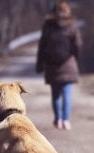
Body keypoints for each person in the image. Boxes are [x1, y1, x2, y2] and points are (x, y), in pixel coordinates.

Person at [35, 0, 82, 130]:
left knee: (55, 95)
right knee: (67, 94)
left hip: (51, 65)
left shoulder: (48, 25)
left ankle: (58, 119)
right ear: (68, 11)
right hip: (68, 63)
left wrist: (40, 63)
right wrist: (75, 59)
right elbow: (77, 44)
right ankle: (66, 120)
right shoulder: (72, 25)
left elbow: (42, 45)